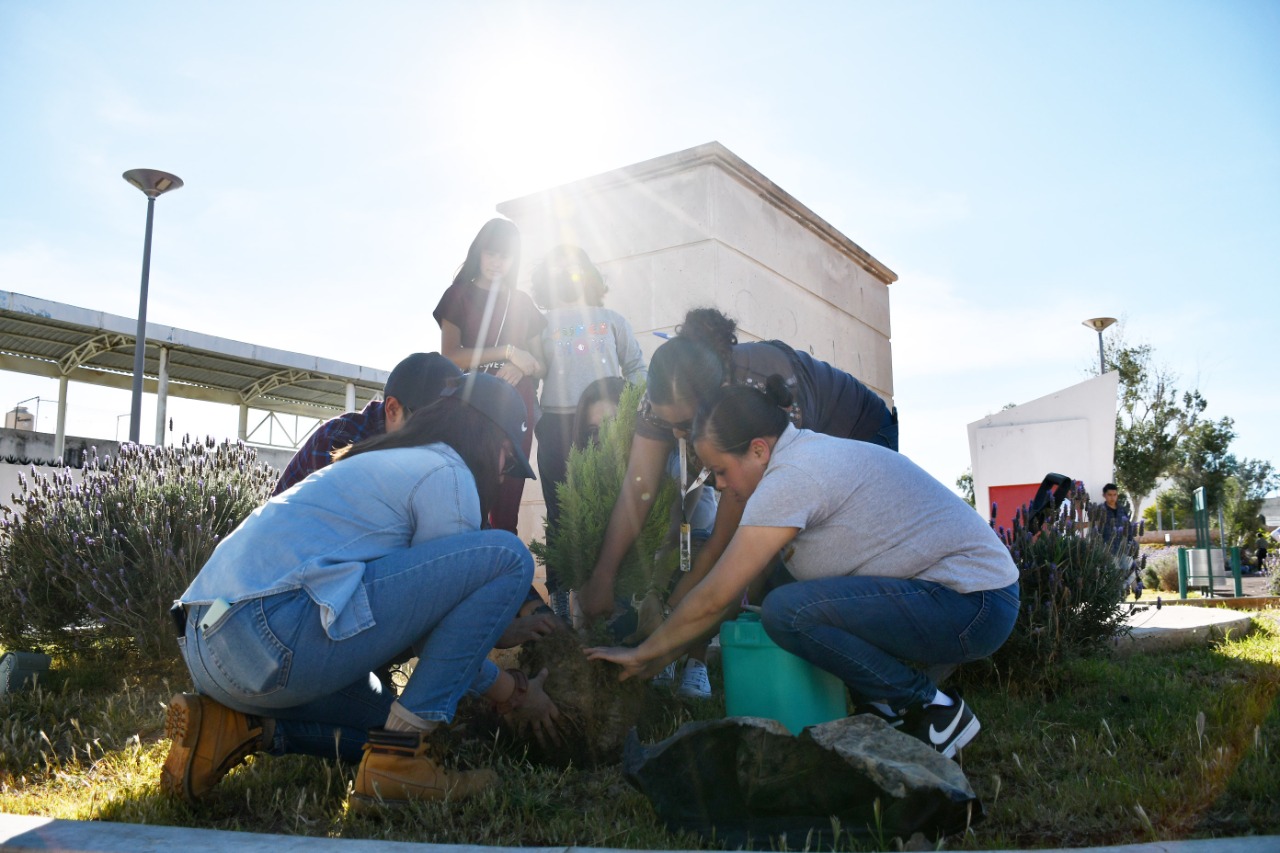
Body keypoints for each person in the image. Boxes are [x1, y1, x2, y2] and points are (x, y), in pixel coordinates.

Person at [161, 373, 562, 809]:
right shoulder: (448, 472)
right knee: (509, 556)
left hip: (206, 639)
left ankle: (237, 726)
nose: (503, 476)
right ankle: (398, 766)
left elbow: (413, 612)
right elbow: (433, 631)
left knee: (387, 726)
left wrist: (493, 637)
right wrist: (513, 691)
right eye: (508, 461)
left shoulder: (385, 459)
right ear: (488, 440)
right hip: (268, 636)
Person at [587, 379, 1019, 758]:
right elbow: (730, 594)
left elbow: (717, 594)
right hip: (965, 600)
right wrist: (662, 650)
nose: (719, 484)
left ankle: (931, 708)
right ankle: (886, 709)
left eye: (720, 470)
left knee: (787, 611)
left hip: (972, 603)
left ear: (758, 449)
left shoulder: (792, 476)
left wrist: (646, 654)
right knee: (784, 593)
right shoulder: (800, 457)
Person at [578, 306, 898, 623]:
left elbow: (725, 538)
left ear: (714, 403)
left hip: (860, 435)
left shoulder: (755, 391)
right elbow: (638, 486)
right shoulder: (662, 396)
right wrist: (603, 576)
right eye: (666, 423)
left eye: (685, 425)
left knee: (802, 577)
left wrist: (670, 613)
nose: (675, 435)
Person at [531, 245, 647, 588]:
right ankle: (562, 598)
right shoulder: (540, 324)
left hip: (607, 426)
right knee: (562, 514)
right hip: (557, 426)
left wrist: (632, 411)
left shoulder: (612, 319)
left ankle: (615, 594)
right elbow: (533, 374)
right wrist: (537, 419)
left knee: (611, 508)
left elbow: (636, 367)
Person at [434, 219, 546, 533]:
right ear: (479, 253)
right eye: (491, 254)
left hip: (517, 403)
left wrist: (522, 366)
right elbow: (450, 356)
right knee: (468, 491)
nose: (497, 262)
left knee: (508, 498)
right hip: (471, 402)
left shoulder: (522, 302)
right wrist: (508, 352)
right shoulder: (458, 295)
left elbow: (543, 363)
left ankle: (503, 560)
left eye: (505, 256)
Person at [272, 352, 461, 496]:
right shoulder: (339, 442)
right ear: (393, 409)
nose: (441, 440)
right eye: (430, 424)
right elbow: (344, 527)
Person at [1099, 483, 1138, 595]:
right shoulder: (1101, 510)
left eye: (1114, 495)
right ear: (1104, 495)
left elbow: (1128, 527)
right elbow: (1098, 530)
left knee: (1130, 571)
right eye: (1109, 495)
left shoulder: (1123, 510)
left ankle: (1131, 590)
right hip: (1109, 548)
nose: (1112, 497)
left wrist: (1131, 542)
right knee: (1114, 572)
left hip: (1124, 547)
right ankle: (1119, 593)